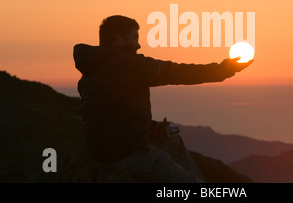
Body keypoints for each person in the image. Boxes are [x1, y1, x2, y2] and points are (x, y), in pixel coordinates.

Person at [73, 15, 253, 182]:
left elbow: (112, 114)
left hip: (104, 150)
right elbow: (178, 73)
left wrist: (151, 128)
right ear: (119, 39)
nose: (138, 45)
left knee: (172, 140)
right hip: (128, 155)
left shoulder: (90, 71)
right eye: (135, 38)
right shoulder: (128, 66)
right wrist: (225, 69)